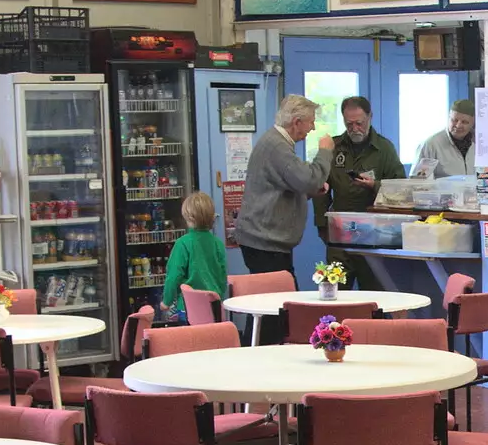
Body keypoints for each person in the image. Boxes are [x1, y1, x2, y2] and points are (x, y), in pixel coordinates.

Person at [236, 94, 334, 281]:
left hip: (265, 242)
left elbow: (286, 186)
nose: (312, 128)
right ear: (297, 122)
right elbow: (309, 180)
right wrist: (325, 151)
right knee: (279, 305)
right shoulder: (277, 146)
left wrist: (309, 192)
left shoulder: (275, 143)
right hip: (265, 244)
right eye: (311, 122)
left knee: (272, 303)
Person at [314, 96, 405, 290]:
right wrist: (322, 225)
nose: (355, 128)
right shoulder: (334, 147)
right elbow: (319, 188)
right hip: (339, 235)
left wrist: (375, 185)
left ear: (370, 117)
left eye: (359, 123)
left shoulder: (384, 149)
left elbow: (400, 189)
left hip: (374, 236)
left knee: (374, 297)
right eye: (350, 124)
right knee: (333, 293)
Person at [161, 192, 228, 321]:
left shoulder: (182, 244)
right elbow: (222, 277)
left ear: (188, 218)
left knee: (191, 340)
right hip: (214, 307)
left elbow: (173, 276)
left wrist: (166, 301)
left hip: (188, 307)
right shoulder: (218, 244)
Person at [415, 98, 475, 178]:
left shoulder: (477, 146)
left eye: (464, 122)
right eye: (454, 120)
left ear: (472, 123)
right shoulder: (431, 145)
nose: (458, 125)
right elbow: (418, 181)